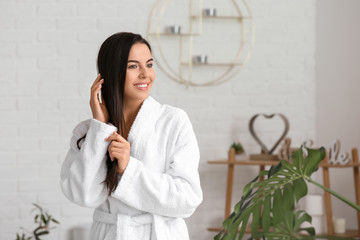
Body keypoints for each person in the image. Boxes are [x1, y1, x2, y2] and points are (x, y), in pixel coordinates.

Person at [60, 32, 202, 240]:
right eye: (133, 66)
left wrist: (129, 169)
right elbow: (81, 195)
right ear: (112, 72)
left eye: (150, 64)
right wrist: (100, 128)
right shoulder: (88, 132)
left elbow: (187, 199)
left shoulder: (173, 121)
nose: (146, 74)